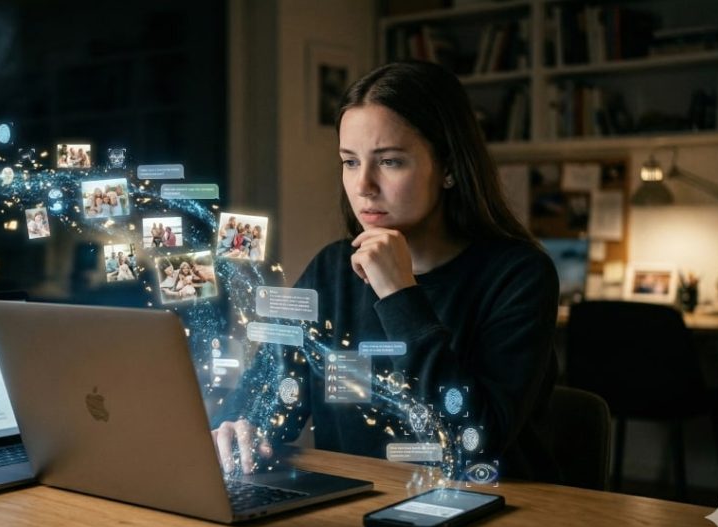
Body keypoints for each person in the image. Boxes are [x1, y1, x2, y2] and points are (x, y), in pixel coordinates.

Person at [212, 61, 560, 483]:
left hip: (481, 516)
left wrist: (398, 294)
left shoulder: (520, 276)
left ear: (448, 168)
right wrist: (239, 428)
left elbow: (471, 445)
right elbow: (266, 400)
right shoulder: (330, 270)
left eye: (390, 162)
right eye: (350, 162)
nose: (363, 186)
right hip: (355, 516)